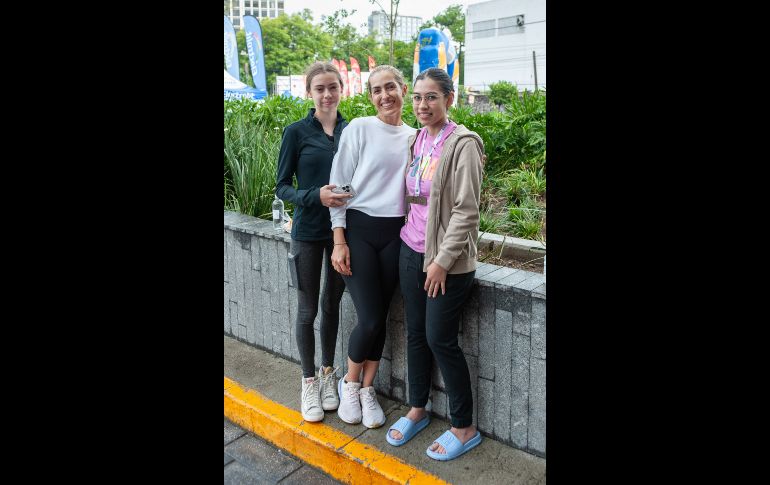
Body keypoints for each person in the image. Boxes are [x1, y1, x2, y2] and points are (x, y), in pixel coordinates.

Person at [385, 68, 485, 461]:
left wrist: (441, 261)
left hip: (447, 261)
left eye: (431, 97)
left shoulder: (463, 144)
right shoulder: (417, 139)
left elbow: (466, 211)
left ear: (449, 99)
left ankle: (464, 427)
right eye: (418, 97)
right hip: (409, 249)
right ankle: (418, 408)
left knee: (440, 339)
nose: (422, 105)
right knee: (414, 333)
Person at [328, 65, 416, 428]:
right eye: (377, 90)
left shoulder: (414, 136)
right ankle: (349, 382)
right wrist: (339, 240)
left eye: (391, 87)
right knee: (368, 316)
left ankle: (368, 389)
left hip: (397, 233)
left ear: (404, 89)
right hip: (360, 229)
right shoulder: (360, 128)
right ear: (370, 97)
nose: (385, 95)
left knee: (379, 316)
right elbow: (339, 184)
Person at [275, 62, 353, 423]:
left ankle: (327, 375)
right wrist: (313, 197)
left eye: (332, 87)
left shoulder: (352, 131)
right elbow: (282, 187)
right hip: (307, 231)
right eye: (319, 88)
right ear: (309, 92)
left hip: (343, 234)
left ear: (342, 89)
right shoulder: (296, 132)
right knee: (308, 310)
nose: (326, 94)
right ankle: (307, 381)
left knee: (332, 304)